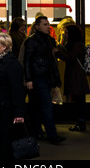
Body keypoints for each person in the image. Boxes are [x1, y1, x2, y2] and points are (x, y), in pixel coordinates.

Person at [23, 16, 65, 145]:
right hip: (39, 77)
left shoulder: (48, 40)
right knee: (46, 106)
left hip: (45, 77)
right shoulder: (33, 41)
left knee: (37, 106)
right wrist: (29, 79)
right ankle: (51, 135)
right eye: (45, 24)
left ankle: (36, 132)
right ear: (37, 26)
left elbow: (51, 60)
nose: (48, 26)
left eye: (48, 24)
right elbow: (27, 60)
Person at [56, 24, 90, 132]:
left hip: (77, 75)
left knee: (79, 100)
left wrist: (58, 53)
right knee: (78, 100)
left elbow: (70, 58)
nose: (64, 34)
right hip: (74, 74)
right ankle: (80, 122)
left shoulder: (77, 44)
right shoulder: (72, 43)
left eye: (66, 32)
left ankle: (81, 123)